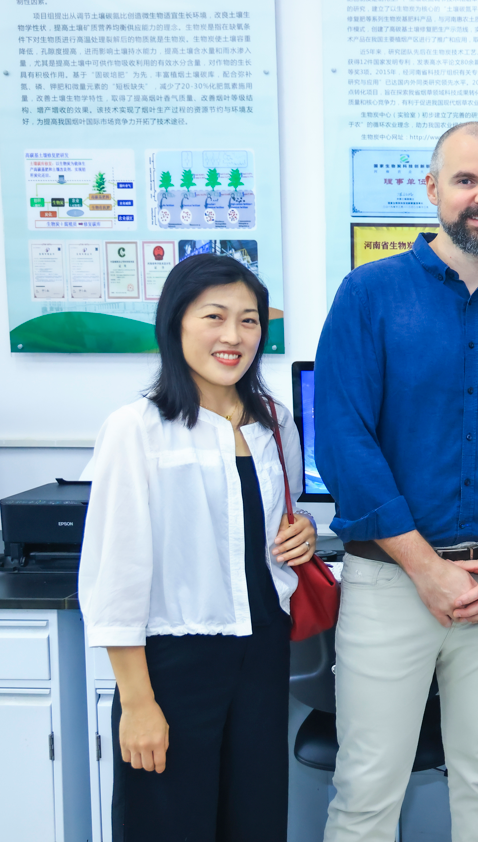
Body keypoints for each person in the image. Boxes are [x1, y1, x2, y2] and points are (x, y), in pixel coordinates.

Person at [315, 121, 478, 842]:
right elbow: (343, 441)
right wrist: (424, 567)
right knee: (367, 792)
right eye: (466, 180)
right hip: (389, 583)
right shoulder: (368, 295)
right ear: (432, 189)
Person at [79, 254, 316, 842]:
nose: (233, 336)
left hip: (263, 652)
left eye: (249, 320)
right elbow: (115, 575)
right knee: (168, 824)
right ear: (176, 323)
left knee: (256, 821)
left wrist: (304, 530)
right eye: (214, 316)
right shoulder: (136, 429)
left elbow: (275, 516)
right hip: (173, 663)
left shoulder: (275, 421)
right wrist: (138, 703)